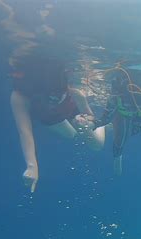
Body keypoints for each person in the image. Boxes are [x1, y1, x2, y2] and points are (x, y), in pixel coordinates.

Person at [10, 56, 107, 192]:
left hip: (71, 111)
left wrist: (88, 121)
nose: (54, 99)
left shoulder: (74, 91)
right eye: (51, 97)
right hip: (49, 118)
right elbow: (25, 131)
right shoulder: (20, 96)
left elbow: (90, 117)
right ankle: (79, 126)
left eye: (59, 94)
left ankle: (104, 125)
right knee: (71, 135)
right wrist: (32, 167)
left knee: (96, 145)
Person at [96, 70, 141, 176]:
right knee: (120, 139)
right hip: (124, 114)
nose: (135, 104)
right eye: (131, 102)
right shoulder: (116, 98)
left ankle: (129, 126)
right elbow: (105, 118)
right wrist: (94, 123)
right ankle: (117, 156)